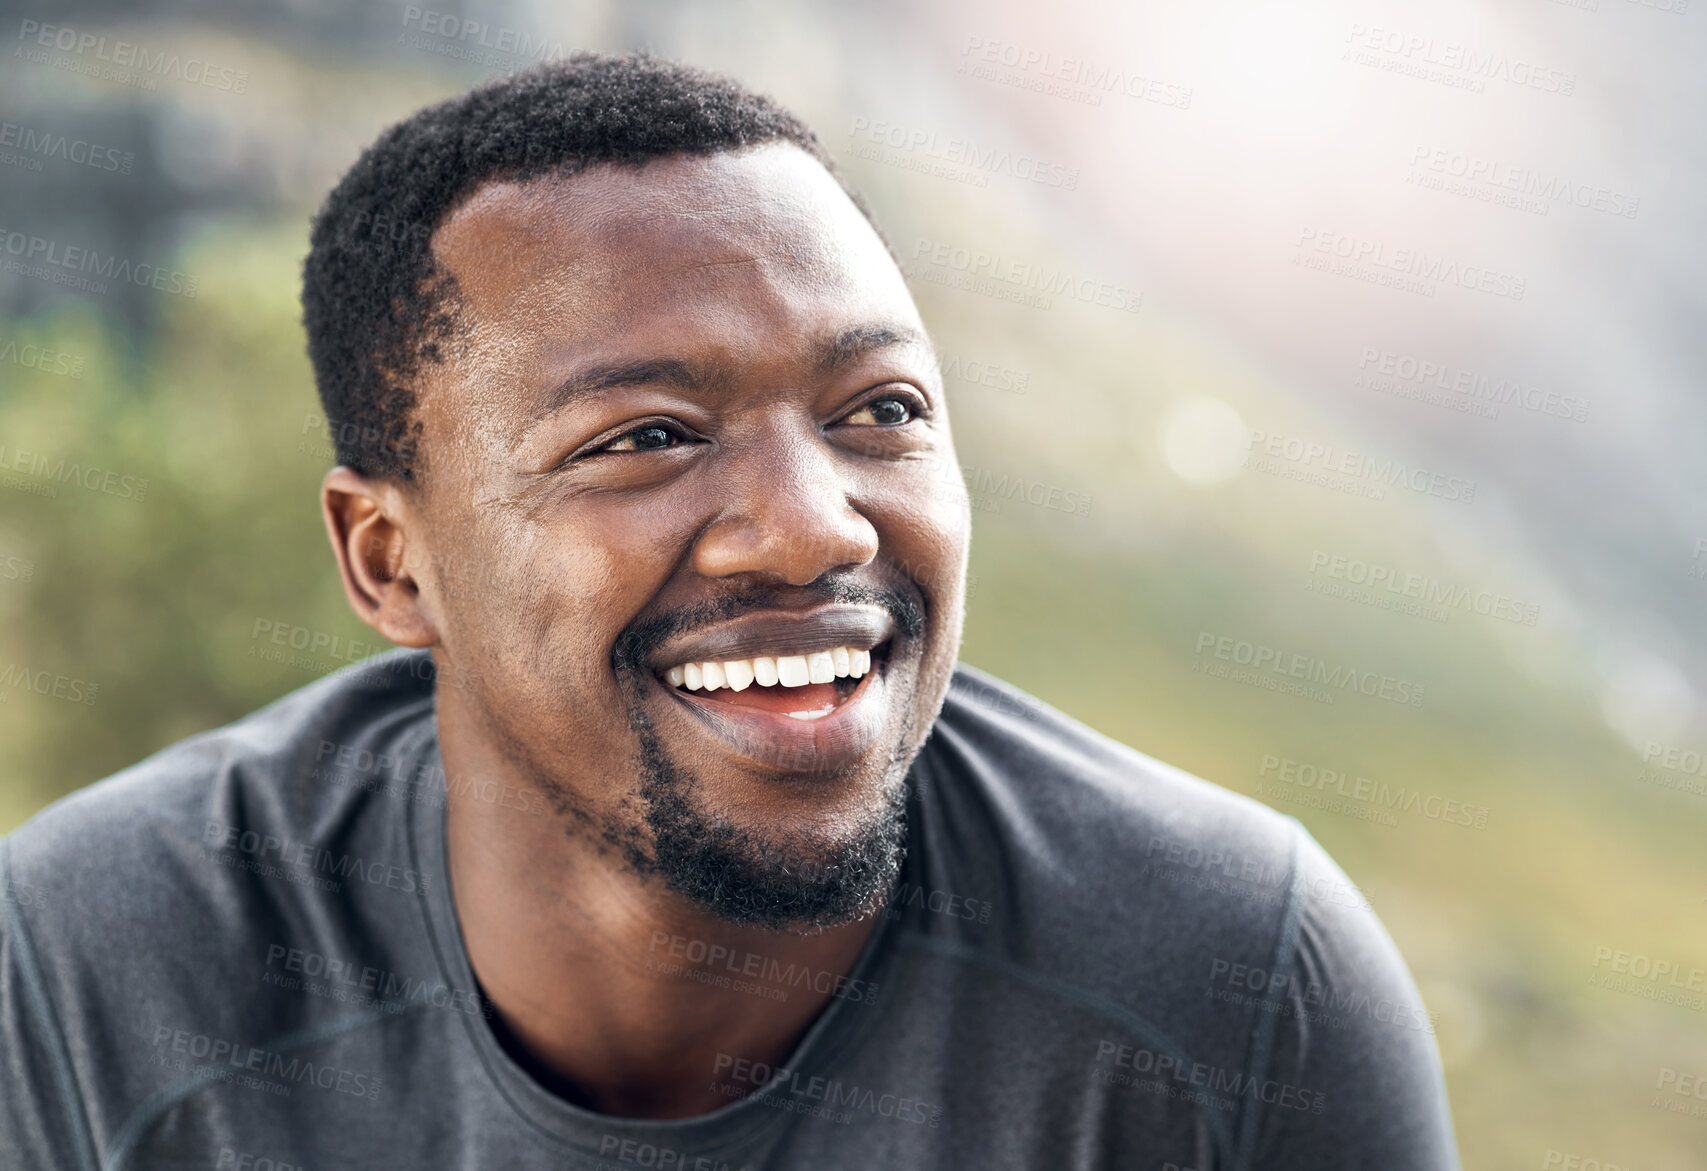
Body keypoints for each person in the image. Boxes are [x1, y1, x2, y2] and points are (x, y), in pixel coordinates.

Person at [0, 53, 1459, 1169]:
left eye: (879, 410)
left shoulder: (1233, 990)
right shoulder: (95, 974)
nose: (812, 524)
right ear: (390, 561)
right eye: (646, 436)